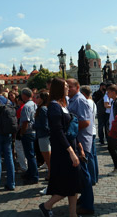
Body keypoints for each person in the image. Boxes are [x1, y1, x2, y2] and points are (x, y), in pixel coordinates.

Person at [39, 78, 81, 217]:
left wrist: (78, 146)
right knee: (68, 183)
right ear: (59, 89)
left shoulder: (62, 105)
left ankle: (72, 214)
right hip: (63, 151)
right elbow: (58, 131)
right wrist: (71, 152)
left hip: (70, 148)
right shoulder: (54, 106)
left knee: (73, 182)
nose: (68, 88)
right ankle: (47, 205)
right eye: (65, 86)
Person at [66, 79, 94, 215]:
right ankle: (84, 199)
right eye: (67, 87)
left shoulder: (79, 100)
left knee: (84, 175)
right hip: (78, 141)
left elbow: (85, 122)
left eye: (70, 87)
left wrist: (70, 131)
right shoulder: (73, 100)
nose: (68, 89)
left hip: (82, 141)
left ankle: (88, 206)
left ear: (77, 87)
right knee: (81, 175)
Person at [19, 88, 39, 184]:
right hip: (34, 131)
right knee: (31, 154)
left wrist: (22, 132)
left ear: (24, 96)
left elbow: (25, 121)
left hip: (28, 133)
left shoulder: (26, 106)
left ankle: (34, 176)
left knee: (30, 155)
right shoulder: (34, 104)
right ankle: (30, 172)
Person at [80, 85, 99, 185]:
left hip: (89, 131)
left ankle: (92, 178)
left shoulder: (86, 102)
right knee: (93, 155)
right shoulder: (92, 102)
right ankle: (95, 176)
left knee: (90, 156)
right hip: (93, 130)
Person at [106, 84, 117, 176]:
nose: (107, 94)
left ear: (113, 92)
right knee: (113, 148)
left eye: (108, 92)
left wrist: (114, 130)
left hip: (115, 130)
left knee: (116, 149)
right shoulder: (114, 102)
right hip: (112, 129)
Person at [34, 90, 50, 180]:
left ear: (42, 99)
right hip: (42, 135)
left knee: (48, 159)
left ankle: (51, 176)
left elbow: (45, 125)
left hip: (44, 136)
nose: (36, 99)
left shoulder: (43, 109)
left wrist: (33, 125)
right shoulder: (41, 108)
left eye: (37, 97)